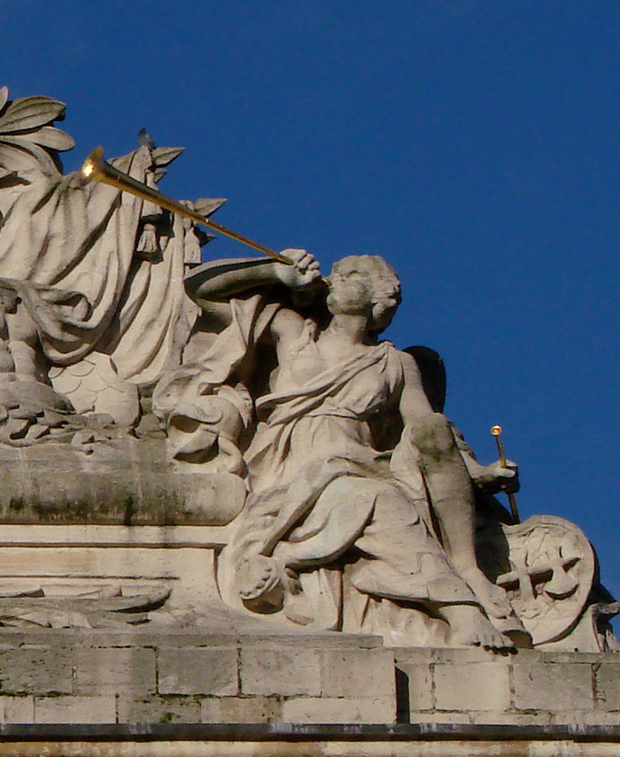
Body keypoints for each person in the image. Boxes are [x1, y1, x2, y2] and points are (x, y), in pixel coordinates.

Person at [188, 250, 527, 650]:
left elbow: (427, 428)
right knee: (376, 497)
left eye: (346, 275)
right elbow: (201, 292)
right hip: (292, 467)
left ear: (376, 296)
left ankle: (467, 569)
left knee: (407, 456)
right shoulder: (296, 333)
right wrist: (273, 271)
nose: (332, 278)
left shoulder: (395, 363)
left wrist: (475, 472)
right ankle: (461, 611)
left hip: (360, 462)